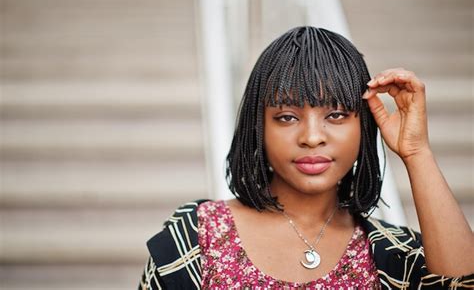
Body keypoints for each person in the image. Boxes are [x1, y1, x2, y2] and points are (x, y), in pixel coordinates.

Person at [139, 26, 474, 289]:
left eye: (337, 115)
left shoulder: (395, 254)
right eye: (287, 117)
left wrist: (417, 153)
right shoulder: (197, 236)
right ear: (259, 127)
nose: (312, 137)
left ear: (364, 125)